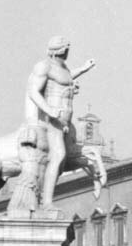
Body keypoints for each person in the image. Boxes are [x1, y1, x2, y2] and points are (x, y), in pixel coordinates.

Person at [24, 37, 95, 208]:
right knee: (58, 156)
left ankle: (45, 197)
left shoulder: (63, 68)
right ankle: (46, 202)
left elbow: (66, 78)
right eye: (66, 48)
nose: (68, 51)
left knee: (66, 156)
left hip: (65, 122)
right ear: (59, 50)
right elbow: (33, 91)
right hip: (52, 121)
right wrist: (49, 110)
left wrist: (83, 69)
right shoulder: (44, 66)